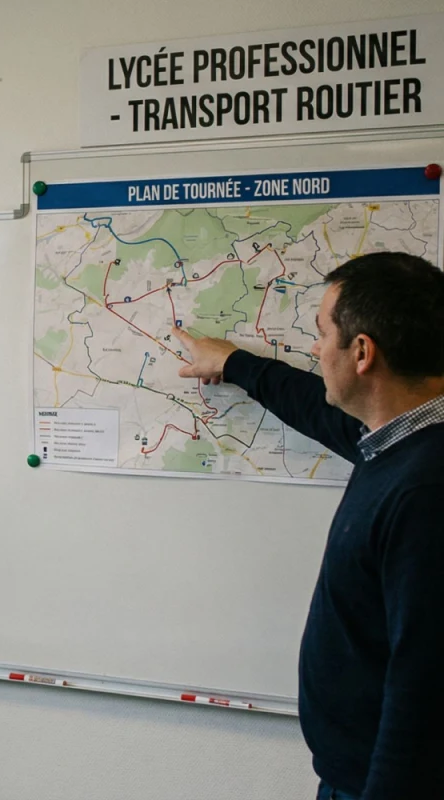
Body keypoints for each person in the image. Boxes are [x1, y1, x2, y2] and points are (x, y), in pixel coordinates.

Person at [175, 251, 444, 799]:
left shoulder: (426, 489)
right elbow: (321, 413)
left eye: (322, 334)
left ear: (363, 352)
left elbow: (425, 688)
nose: (316, 349)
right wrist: (235, 364)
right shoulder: (396, 444)